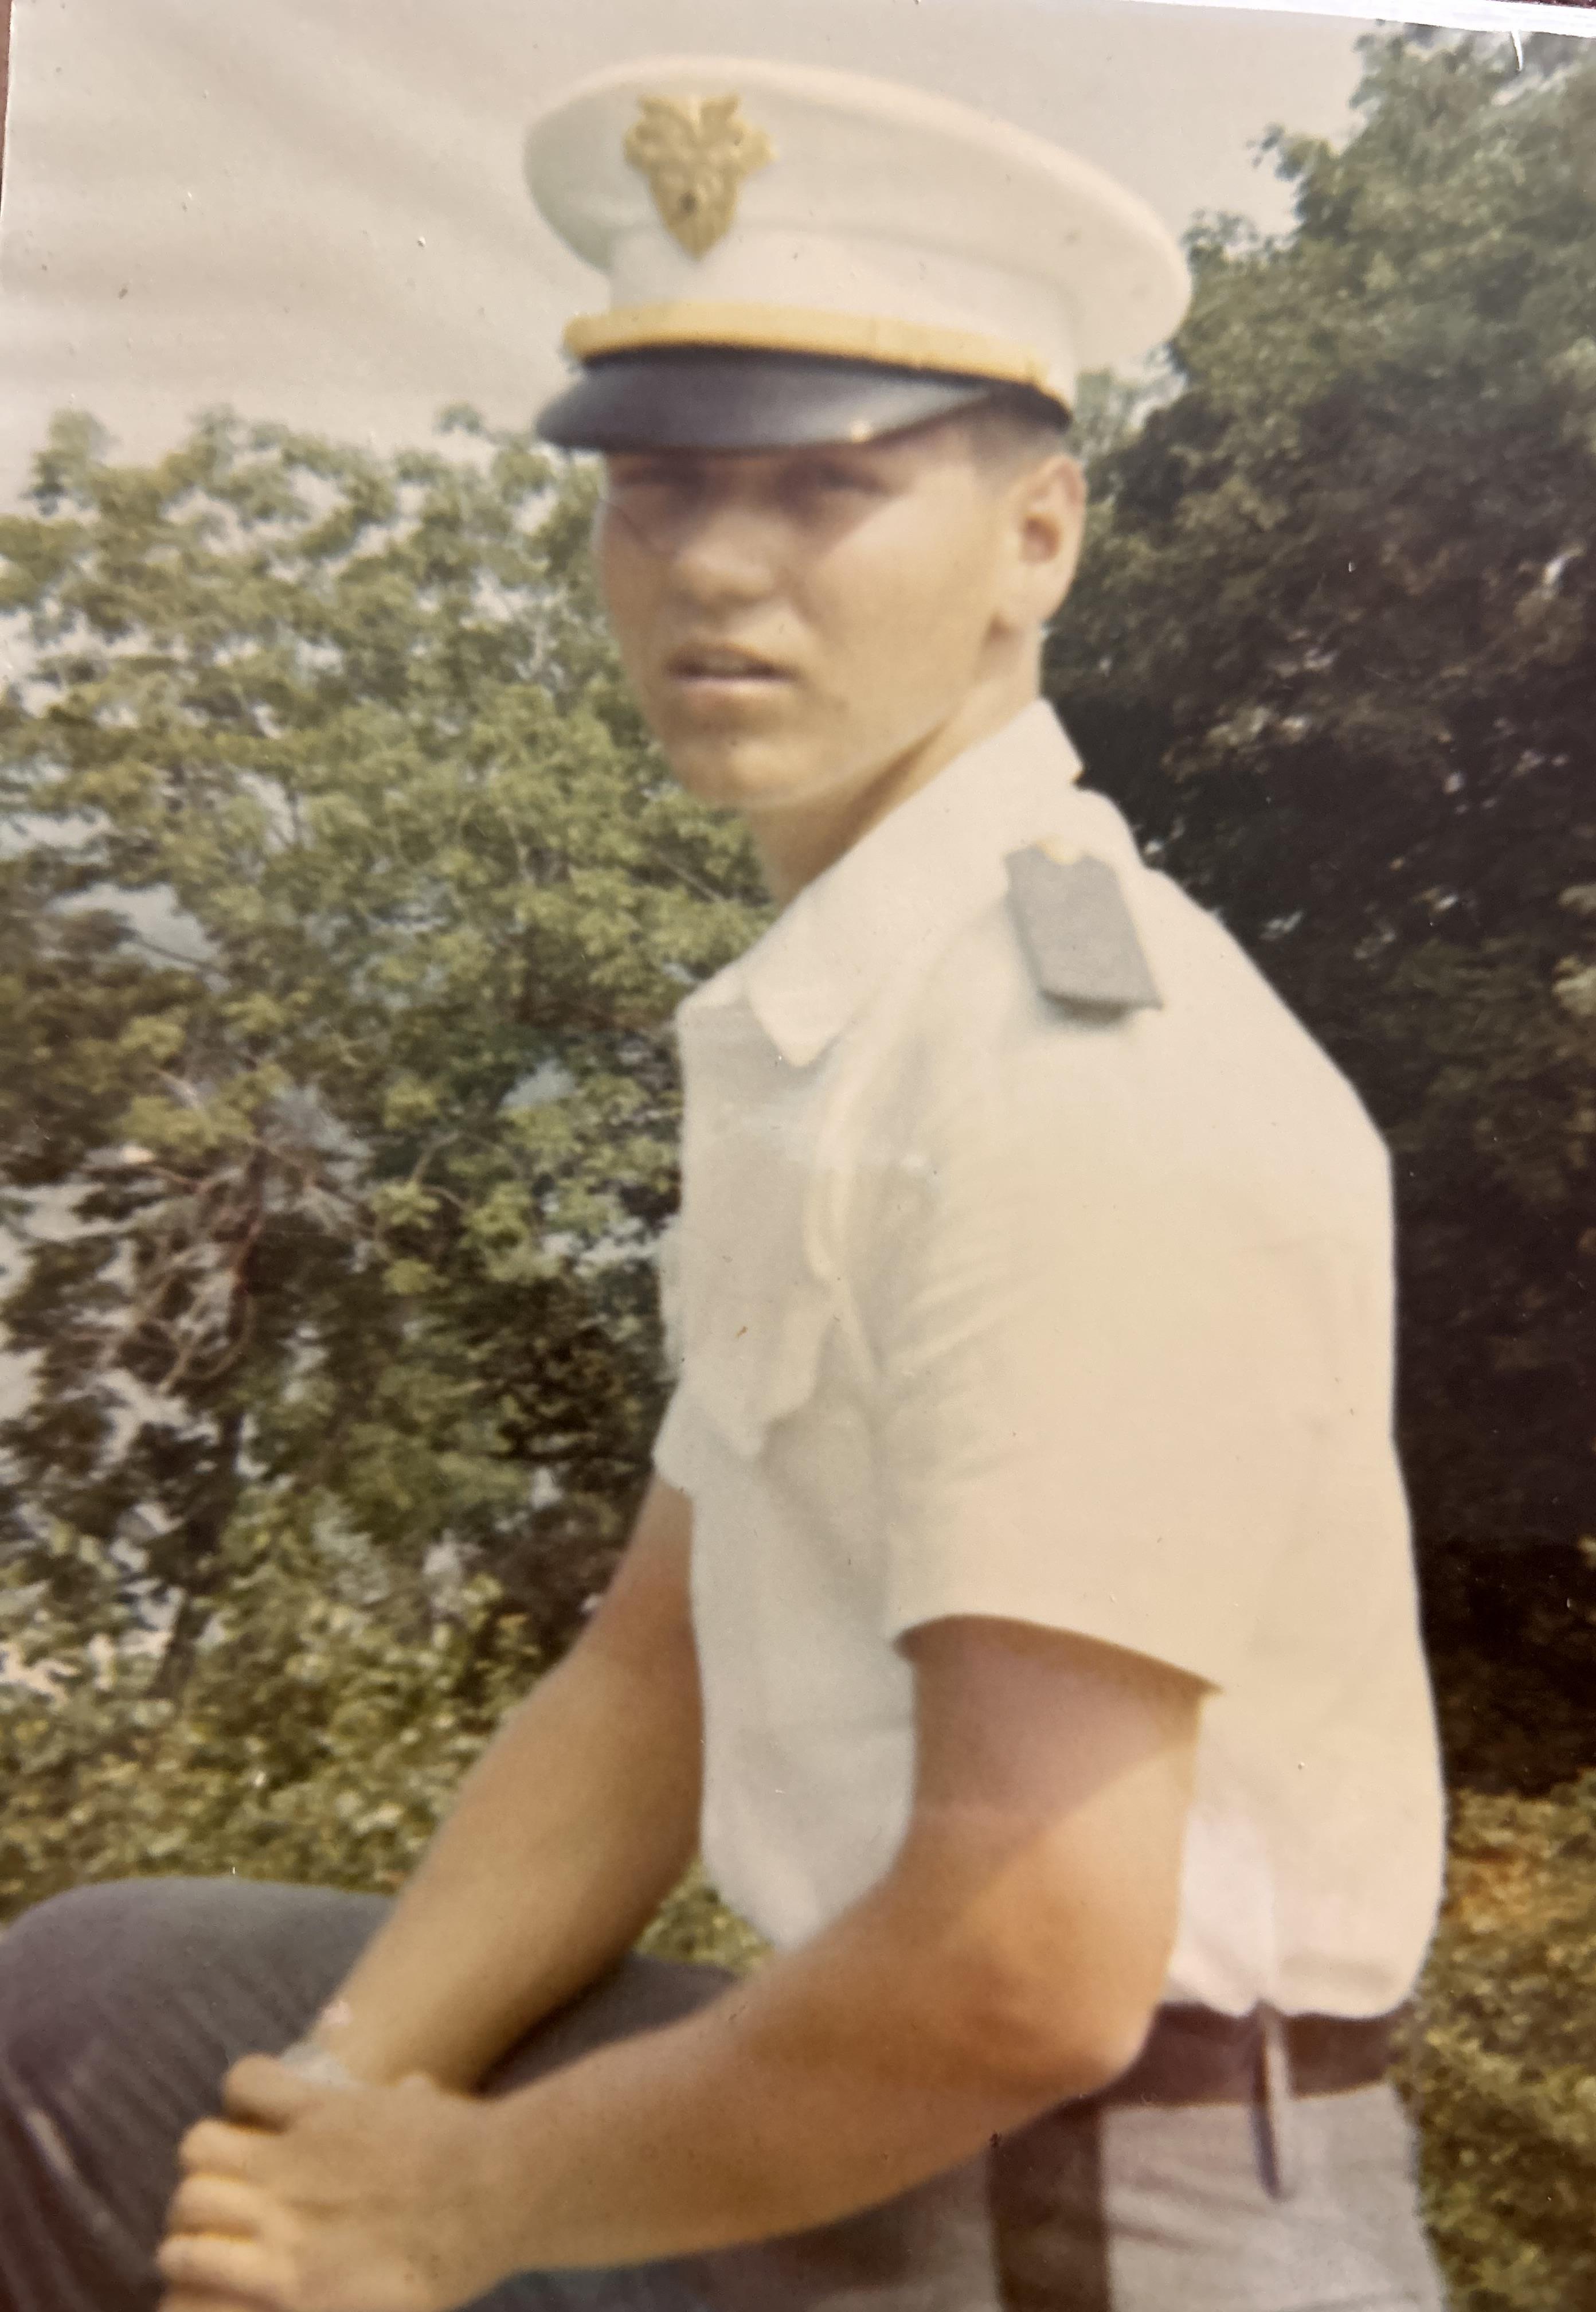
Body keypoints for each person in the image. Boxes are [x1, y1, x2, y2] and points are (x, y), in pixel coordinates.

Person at [0, 56, 1448, 2312]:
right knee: (90, 2023)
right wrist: (330, 2116)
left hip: (1085, 2215)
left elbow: (1026, 1970)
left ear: (1038, 538)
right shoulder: (856, 1018)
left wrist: (449, 2207)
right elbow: (652, 1673)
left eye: (826, 485)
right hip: (882, 2118)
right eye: (658, 488)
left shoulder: (1077, 1074)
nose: (712, 569)